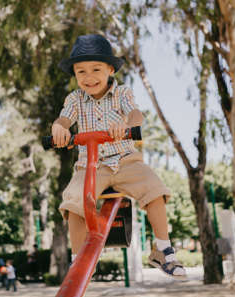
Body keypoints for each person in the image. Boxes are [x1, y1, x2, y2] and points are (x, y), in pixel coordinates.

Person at [51, 34, 186, 280]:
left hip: (125, 159)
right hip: (90, 165)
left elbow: (135, 115)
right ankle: (79, 261)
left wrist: (125, 123)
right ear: (74, 74)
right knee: (73, 200)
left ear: (110, 69)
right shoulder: (74, 99)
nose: (88, 77)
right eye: (81, 72)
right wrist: (58, 128)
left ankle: (163, 249)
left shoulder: (122, 93)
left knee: (155, 189)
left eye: (96, 69)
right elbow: (64, 118)